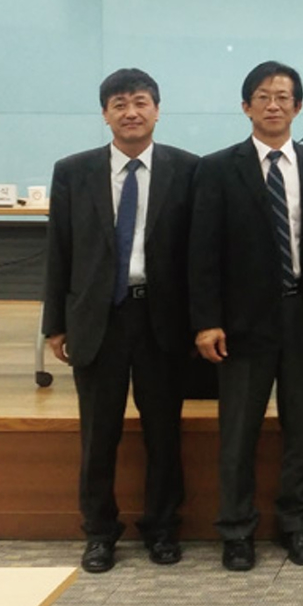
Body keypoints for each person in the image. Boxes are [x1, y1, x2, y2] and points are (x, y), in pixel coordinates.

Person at [42, 68, 197, 573]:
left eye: (141, 102)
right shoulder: (73, 171)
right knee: (98, 432)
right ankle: (99, 532)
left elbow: (200, 255)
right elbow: (59, 250)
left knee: (163, 432)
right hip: (98, 318)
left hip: (161, 318)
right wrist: (55, 323)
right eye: (119, 104)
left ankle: (162, 527)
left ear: (157, 110)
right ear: (105, 114)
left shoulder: (188, 169)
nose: (131, 112)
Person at [189, 60, 303, 571]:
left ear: (298, 107)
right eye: (262, 96)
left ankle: (298, 524)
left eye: (283, 97)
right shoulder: (216, 168)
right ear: (245, 107)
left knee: (301, 427)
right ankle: (236, 529)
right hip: (239, 324)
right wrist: (207, 320)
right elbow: (202, 252)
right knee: (238, 431)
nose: (273, 105)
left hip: (302, 315)